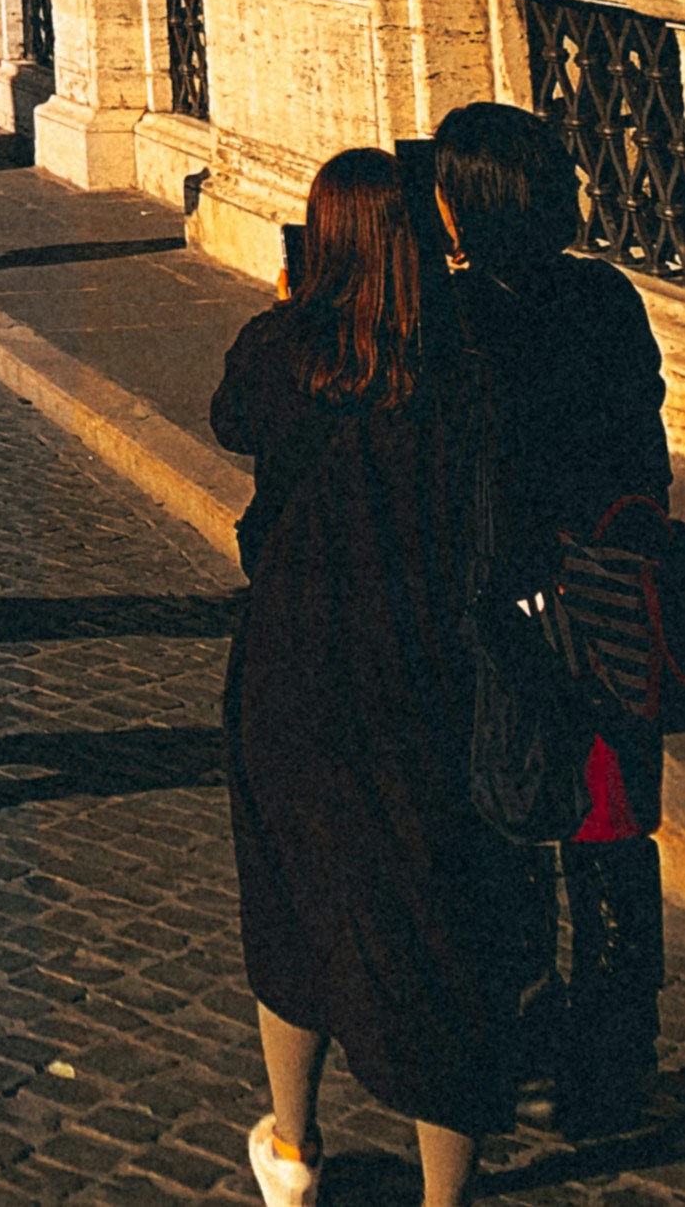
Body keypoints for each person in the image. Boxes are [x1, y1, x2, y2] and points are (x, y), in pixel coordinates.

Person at [210, 148, 530, 1207]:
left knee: (290, 902)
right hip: (430, 678)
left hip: (292, 671)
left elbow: (228, 418)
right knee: (439, 934)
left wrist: (292, 306)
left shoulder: (281, 348)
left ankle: (292, 1146)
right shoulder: (470, 365)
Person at [433, 100, 671, 1133]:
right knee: (610, 831)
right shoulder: (604, 294)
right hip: (611, 597)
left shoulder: (452, 314)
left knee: (511, 829)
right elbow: (641, 439)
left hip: (506, 606)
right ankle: (611, 1058)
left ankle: (528, 1052)